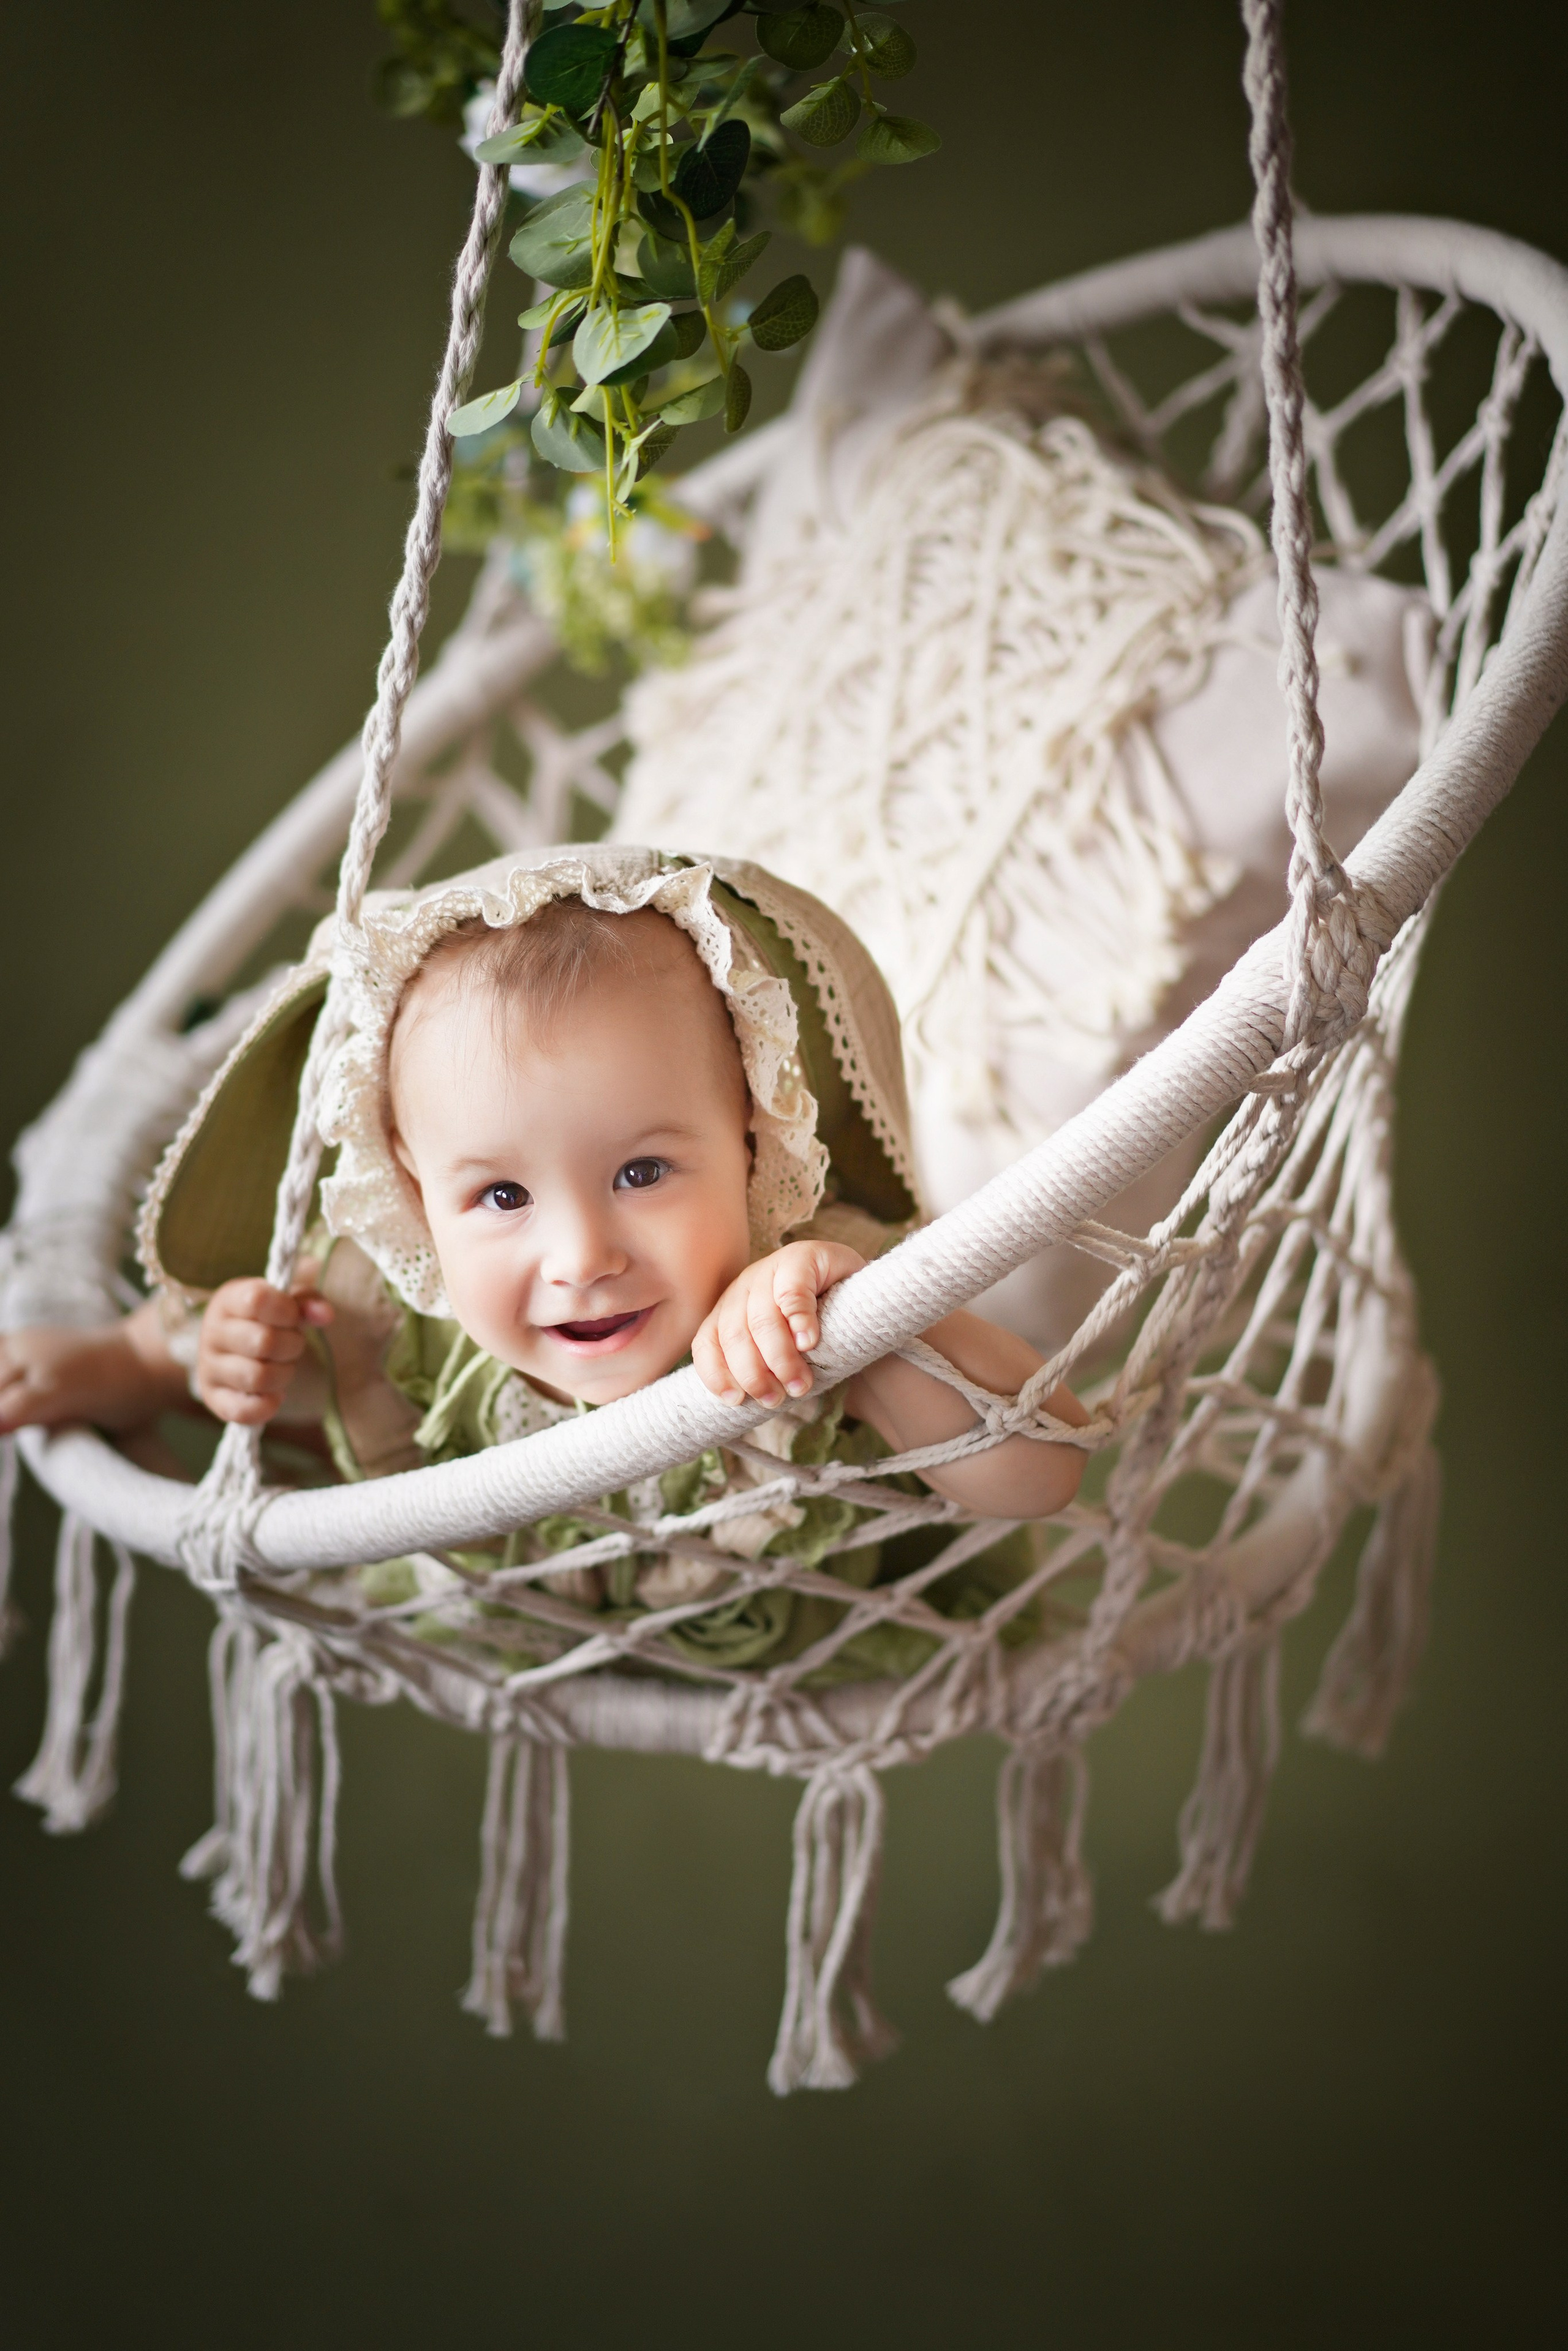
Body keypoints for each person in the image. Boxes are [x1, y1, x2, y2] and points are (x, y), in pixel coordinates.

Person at [0, 848, 1087, 1680]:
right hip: (473, 1631)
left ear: (754, 1140)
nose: (580, 1258)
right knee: (283, 1341)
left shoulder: (807, 1274)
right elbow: (245, 1329)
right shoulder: (396, 1291)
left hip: (810, 1645)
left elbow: (1039, 1474)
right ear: (419, 1200)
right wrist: (176, 1358)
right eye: (503, 1197)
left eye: (645, 1171)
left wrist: (866, 1329)